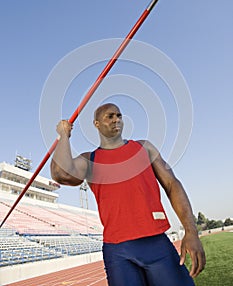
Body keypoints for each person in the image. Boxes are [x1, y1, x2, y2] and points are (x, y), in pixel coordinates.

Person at [51, 103, 205, 286]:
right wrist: (64, 135)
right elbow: (61, 173)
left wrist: (191, 231)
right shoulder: (89, 160)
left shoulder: (144, 148)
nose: (116, 119)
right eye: (109, 116)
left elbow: (172, 185)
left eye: (119, 115)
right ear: (96, 124)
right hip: (118, 251)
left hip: (156, 243)